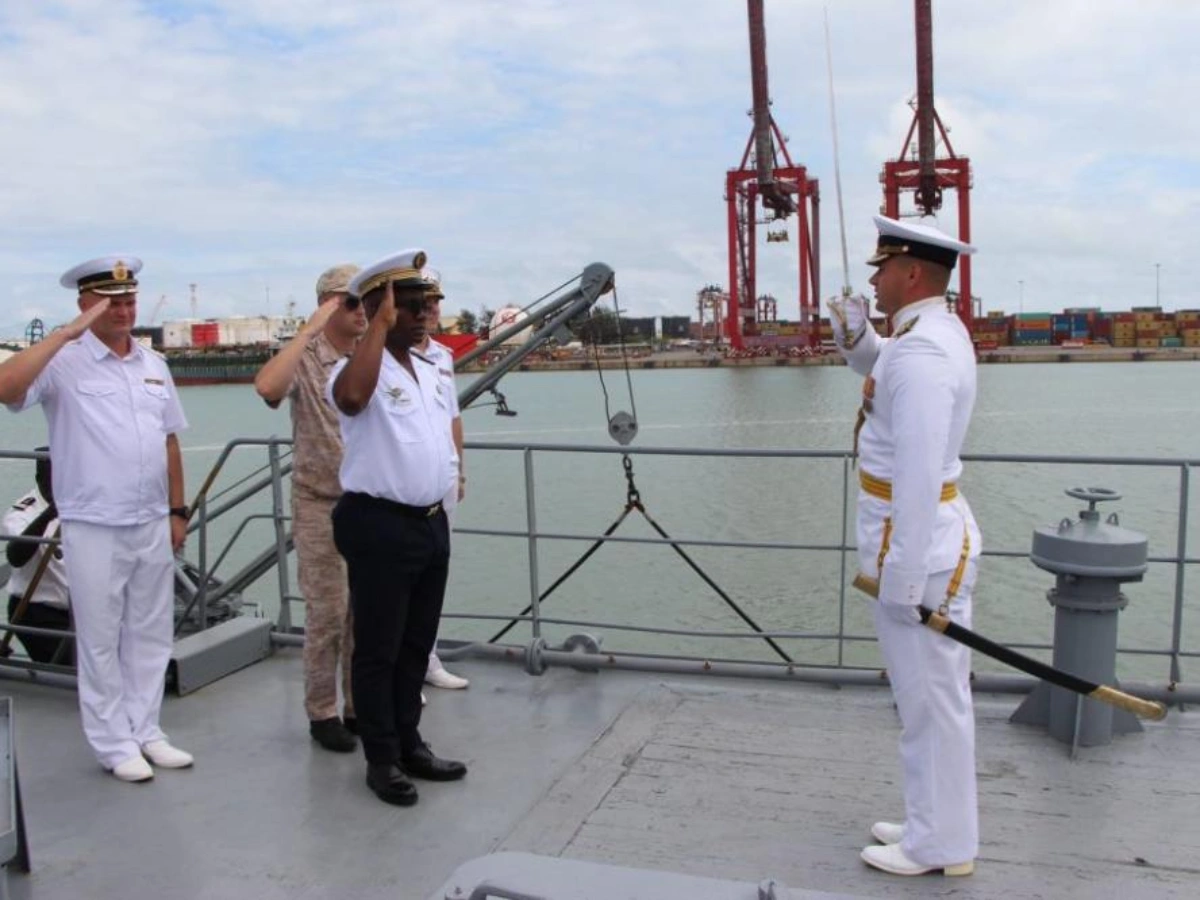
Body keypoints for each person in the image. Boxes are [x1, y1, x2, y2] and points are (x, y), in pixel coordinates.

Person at [0, 255, 193, 783]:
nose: (126, 309)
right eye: (112, 301)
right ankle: (113, 743)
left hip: (151, 519)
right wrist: (65, 335)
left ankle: (147, 729)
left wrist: (178, 511)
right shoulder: (62, 363)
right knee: (101, 635)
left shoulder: (154, 367)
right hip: (91, 522)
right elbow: (6, 387)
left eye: (130, 299)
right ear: (86, 303)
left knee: (151, 632)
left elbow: (169, 440)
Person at [830, 216, 981, 877]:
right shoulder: (926, 334)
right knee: (926, 698)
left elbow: (917, 474)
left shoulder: (921, 354)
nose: (873, 277)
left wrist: (903, 575)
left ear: (912, 272)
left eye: (882, 267)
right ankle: (934, 822)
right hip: (913, 538)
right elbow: (881, 370)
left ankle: (937, 845)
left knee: (927, 701)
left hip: (912, 542)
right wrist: (857, 337)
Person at [328, 249, 467, 806]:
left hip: (431, 522)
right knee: (379, 649)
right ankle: (381, 759)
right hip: (379, 524)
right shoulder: (354, 368)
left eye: (429, 303)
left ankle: (410, 742)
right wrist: (378, 324)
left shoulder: (433, 368)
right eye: (410, 305)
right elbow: (354, 400)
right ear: (378, 309)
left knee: (415, 644)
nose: (425, 313)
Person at [254, 263, 365, 752]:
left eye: (366, 301)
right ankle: (323, 714)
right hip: (320, 502)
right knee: (328, 613)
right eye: (352, 301)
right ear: (329, 304)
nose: (362, 311)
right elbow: (268, 389)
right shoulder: (306, 356)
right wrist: (309, 328)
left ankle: (360, 706)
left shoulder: (369, 355)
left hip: (369, 504)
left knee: (367, 614)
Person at [416, 268, 469, 693]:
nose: (432, 309)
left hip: (442, 481)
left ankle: (426, 659)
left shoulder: (442, 356)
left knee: (435, 576)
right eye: (423, 301)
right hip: (403, 488)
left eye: (436, 302)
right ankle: (405, 672)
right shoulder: (377, 356)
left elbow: (451, 417)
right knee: (400, 583)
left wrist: (459, 470)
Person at [3, 449, 73, 665]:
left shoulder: (80, 504)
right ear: (39, 478)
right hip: (37, 611)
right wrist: (50, 514)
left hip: (79, 611)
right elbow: (16, 556)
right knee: (73, 665)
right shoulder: (21, 514)